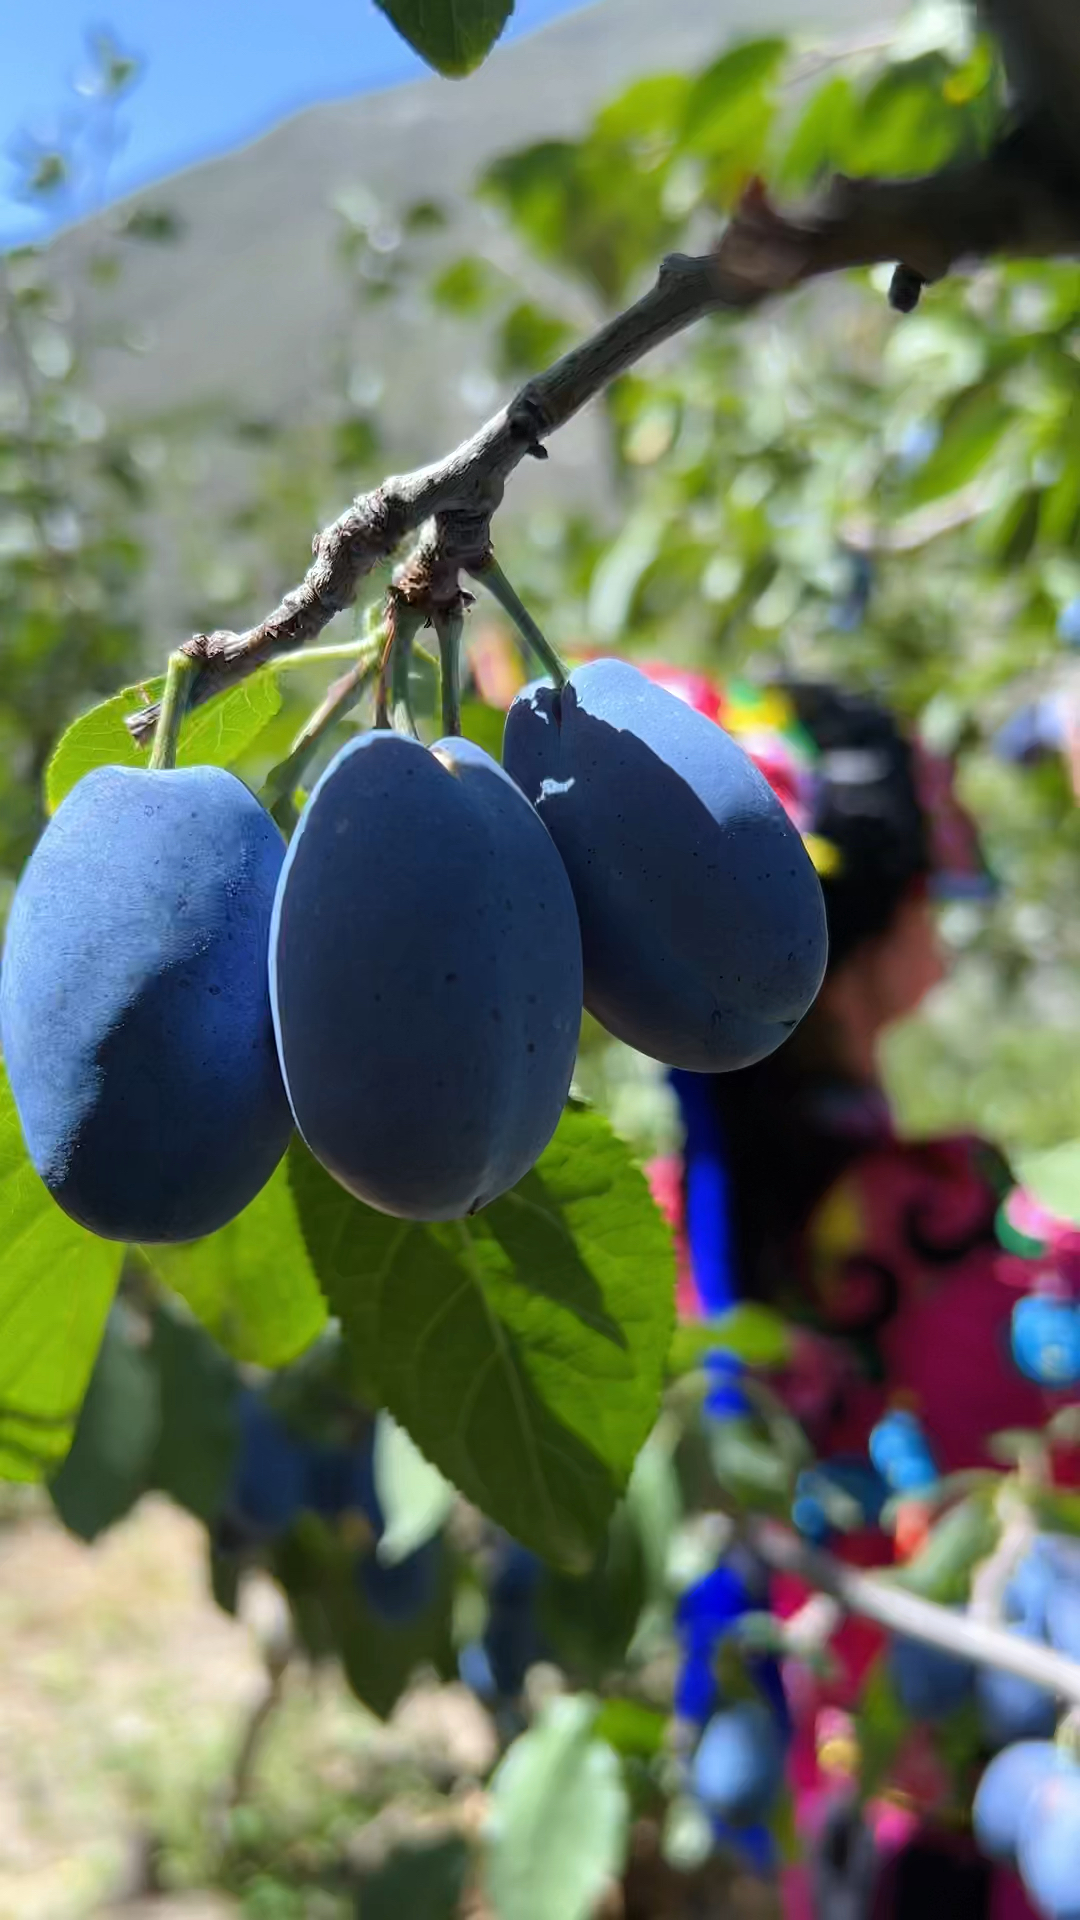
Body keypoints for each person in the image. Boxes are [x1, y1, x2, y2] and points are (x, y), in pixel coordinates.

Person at [647, 673, 1063, 1920]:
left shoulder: (680, 1223)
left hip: (834, 1795)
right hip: (981, 1813)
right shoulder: (949, 1240)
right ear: (874, 938)